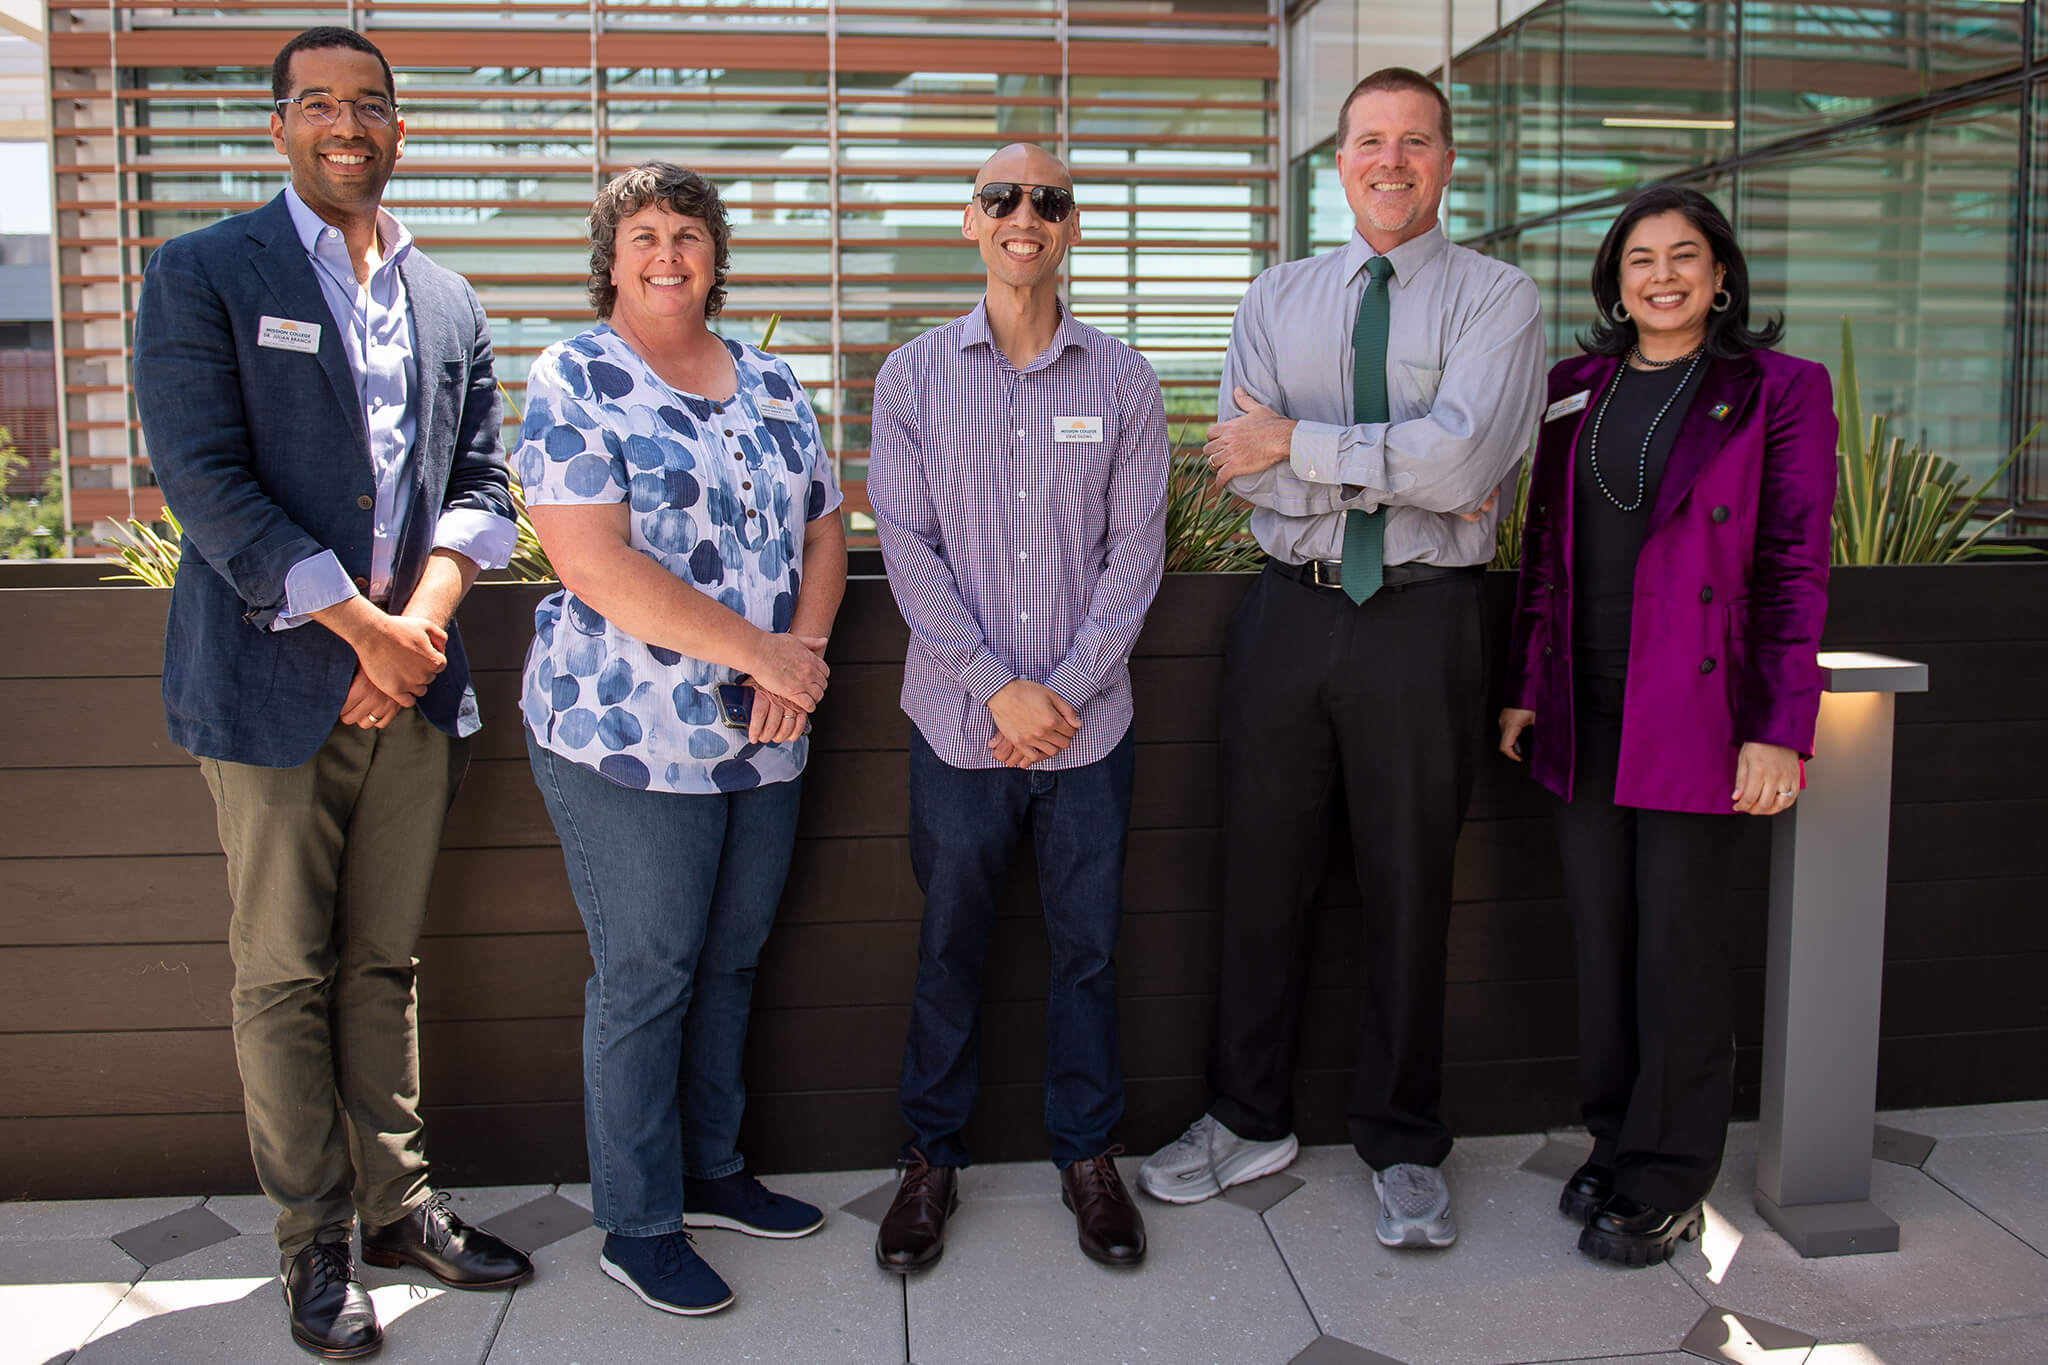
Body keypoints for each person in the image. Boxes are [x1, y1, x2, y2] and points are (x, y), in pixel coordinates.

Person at [131, 25, 534, 1359]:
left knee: (384, 960)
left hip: (410, 686)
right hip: (269, 688)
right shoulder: (201, 273)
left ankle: (398, 1208)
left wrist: (413, 628)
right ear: (280, 125)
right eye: (317, 103)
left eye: (368, 104)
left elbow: (482, 483)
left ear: (399, 127)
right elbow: (203, 480)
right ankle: (313, 1248)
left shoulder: (449, 299)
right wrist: (362, 630)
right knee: (282, 973)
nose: (344, 124)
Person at [1138, 67, 1544, 1251]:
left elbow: (1466, 469)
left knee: (1409, 888)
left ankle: (1404, 1141)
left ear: (1446, 162)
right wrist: (1391, 457)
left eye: (1415, 141)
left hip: (1422, 620)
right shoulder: (1276, 295)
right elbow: (1239, 461)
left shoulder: (1496, 299)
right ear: (1337, 161)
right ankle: (1244, 1114)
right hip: (1286, 611)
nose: (1391, 160)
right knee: (1260, 876)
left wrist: (1308, 442)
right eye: (1369, 139)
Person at [515, 161, 847, 1317]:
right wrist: (766, 658)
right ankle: (638, 1219)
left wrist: (794, 664)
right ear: (609, 256)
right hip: (626, 735)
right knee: (648, 975)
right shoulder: (575, 375)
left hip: (766, 728)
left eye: (689, 234)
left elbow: (824, 529)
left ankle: (712, 1173)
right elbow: (592, 562)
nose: (668, 254)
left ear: (716, 256)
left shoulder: (765, 374)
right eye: (644, 235)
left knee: (732, 960)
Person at [1497, 184, 1835, 1267]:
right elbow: (1541, 548)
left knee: (1677, 954)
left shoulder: (1776, 389)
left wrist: (1777, 727)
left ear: (1720, 275)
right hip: (1581, 705)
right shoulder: (1571, 388)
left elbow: (1792, 566)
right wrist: (1522, 686)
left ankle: (1669, 1173)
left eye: (1682, 256)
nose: (1659, 276)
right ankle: (1614, 1139)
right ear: (1613, 281)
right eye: (1637, 259)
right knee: (1602, 945)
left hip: (1694, 708)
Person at [866, 143, 1170, 1274]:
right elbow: (908, 552)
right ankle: (928, 1159)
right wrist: (998, 688)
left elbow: (1134, 557)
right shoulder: (910, 378)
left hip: (1093, 734)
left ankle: (1088, 1157)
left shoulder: (1124, 382)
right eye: (1002, 198)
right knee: (948, 947)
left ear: (1071, 226)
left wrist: (1065, 695)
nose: (1023, 215)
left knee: (1086, 953)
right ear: (970, 222)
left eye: (1046, 200)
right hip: (957, 725)